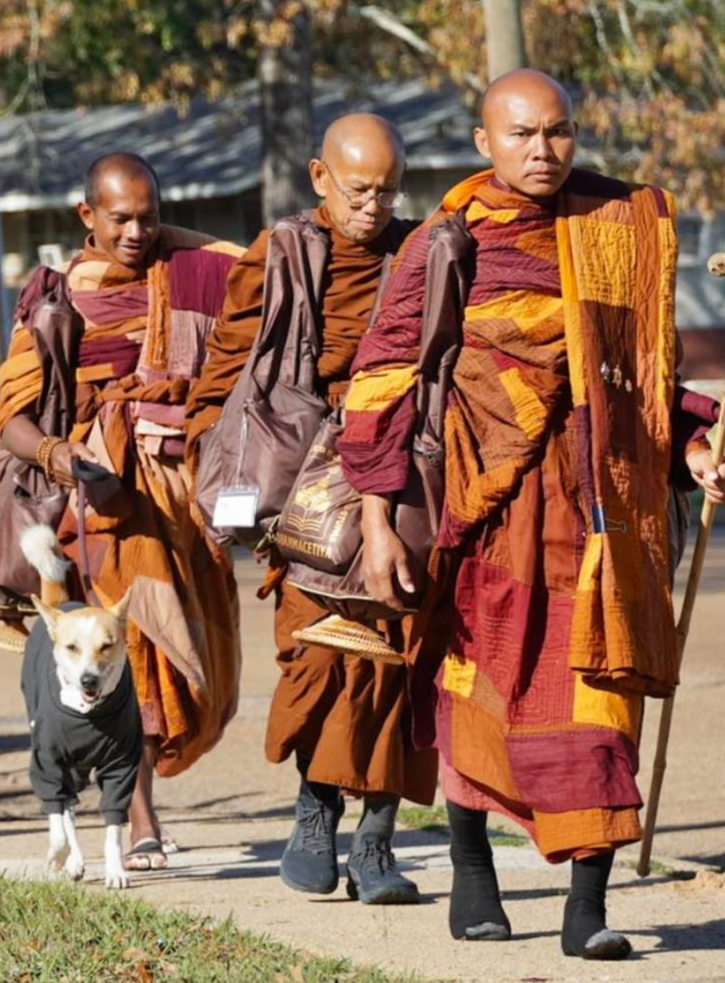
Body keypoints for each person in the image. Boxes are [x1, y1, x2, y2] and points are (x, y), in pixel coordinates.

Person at [343, 70, 725, 958]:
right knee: (478, 689)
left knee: (600, 694)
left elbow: (640, 366)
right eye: (521, 135)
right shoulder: (446, 242)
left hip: (602, 509)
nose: (542, 151)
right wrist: (375, 522)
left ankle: (586, 911)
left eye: (557, 132)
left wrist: (692, 451)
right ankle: (473, 867)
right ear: (483, 143)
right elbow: (381, 380)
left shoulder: (617, 222)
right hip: (485, 512)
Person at [187, 114, 438, 906]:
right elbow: (227, 366)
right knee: (320, 655)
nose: (374, 206)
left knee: (399, 654)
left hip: (397, 473)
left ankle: (376, 841)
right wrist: (216, 462)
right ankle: (314, 813)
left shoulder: (424, 252)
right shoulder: (282, 251)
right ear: (319, 177)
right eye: (359, 188)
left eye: (389, 190)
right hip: (303, 484)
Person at [0, 153, 243, 870]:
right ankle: (138, 820)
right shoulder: (58, 298)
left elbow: (265, 297)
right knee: (129, 654)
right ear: (86, 217)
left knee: (197, 655)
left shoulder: (202, 270)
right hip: (100, 501)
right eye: (119, 218)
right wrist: (55, 456)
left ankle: (136, 805)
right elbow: (10, 415)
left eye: (149, 216)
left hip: (186, 496)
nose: (136, 232)